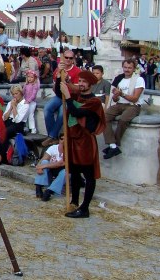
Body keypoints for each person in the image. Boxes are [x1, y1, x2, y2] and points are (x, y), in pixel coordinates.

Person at [57, 70, 106, 218]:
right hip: (73, 138)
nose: (81, 84)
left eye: (84, 82)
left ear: (90, 84)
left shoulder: (94, 102)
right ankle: (75, 202)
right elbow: (60, 93)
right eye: (80, 81)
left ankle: (85, 208)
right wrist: (60, 77)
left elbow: (76, 112)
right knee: (76, 172)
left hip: (85, 142)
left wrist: (68, 95)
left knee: (89, 175)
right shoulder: (77, 96)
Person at [103, 59, 145, 159]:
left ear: (134, 68)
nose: (127, 69)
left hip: (133, 105)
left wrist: (121, 93)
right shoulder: (119, 79)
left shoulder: (139, 79)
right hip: (119, 104)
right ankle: (113, 146)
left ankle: (114, 145)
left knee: (123, 120)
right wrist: (116, 95)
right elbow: (115, 98)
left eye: (129, 68)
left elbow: (135, 98)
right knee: (104, 117)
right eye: (125, 67)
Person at [42, 50, 80, 147]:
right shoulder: (58, 69)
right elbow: (55, 88)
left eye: (70, 58)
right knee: (47, 108)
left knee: (62, 112)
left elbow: (76, 89)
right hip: (59, 95)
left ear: (73, 59)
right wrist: (59, 74)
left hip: (70, 97)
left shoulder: (77, 71)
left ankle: (51, 136)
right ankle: (53, 136)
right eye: (66, 57)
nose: (68, 59)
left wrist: (67, 81)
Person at [36, 135, 66, 202]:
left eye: (65, 139)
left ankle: (50, 191)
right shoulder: (53, 148)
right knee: (44, 162)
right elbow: (43, 159)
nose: (63, 141)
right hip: (52, 171)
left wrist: (43, 166)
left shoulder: (70, 150)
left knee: (66, 172)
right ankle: (38, 187)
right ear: (59, 140)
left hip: (63, 172)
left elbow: (61, 163)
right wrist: (39, 167)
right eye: (61, 139)